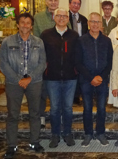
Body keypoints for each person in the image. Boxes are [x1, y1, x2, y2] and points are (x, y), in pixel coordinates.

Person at [0, 13, 46, 159]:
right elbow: (3, 63)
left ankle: (34, 142)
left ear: (31, 26)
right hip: (14, 83)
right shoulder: (7, 41)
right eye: (22, 22)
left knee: (35, 113)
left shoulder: (39, 42)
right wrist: (18, 79)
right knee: (13, 115)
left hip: (34, 81)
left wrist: (29, 78)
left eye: (28, 23)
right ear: (18, 25)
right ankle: (12, 145)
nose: (25, 25)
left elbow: (42, 63)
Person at [40, 8, 79, 148]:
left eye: (64, 16)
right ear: (54, 17)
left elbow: (78, 56)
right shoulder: (46, 35)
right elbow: (41, 55)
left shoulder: (74, 35)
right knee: (55, 108)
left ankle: (67, 133)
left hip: (70, 77)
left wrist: (76, 71)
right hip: (52, 77)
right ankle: (55, 135)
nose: (62, 18)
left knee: (68, 108)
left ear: (68, 19)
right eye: (59, 16)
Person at [75, 12, 113, 147]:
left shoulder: (107, 41)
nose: (95, 24)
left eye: (98, 22)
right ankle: (88, 134)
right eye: (93, 21)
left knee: (102, 108)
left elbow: (110, 62)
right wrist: (91, 77)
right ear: (89, 23)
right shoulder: (81, 40)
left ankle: (101, 133)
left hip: (102, 80)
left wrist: (101, 77)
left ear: (101, 24)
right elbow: (78, 62)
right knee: (87, 108)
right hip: (86, 80)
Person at [33, 0, 63, 130]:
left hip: (60, 60)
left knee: (59, 90)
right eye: (50, 0)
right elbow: (36, 39)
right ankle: (41, 117)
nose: (53, 3)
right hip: (44, 59)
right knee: (42, 90)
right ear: (46, 2)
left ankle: (59, 116)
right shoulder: (38, 18)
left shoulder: (62, 16)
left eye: (55, 0)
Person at [69, 0, 88, 105]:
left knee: (80, 71)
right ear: (69, 4)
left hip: (81, 47)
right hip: (69, 47)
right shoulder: (64, 16)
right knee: (71, 71)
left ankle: (78, 95)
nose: (76, 5)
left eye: (78, 4)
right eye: (74, 3)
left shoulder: (83, 19)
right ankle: (72, 95)